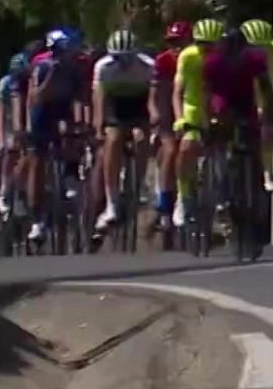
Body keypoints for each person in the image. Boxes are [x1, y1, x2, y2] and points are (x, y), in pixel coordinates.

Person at [203, 24, 273, 250]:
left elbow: (266, 91)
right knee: (222, 129)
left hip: (245, 102)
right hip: (223, 101)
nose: (235, 55)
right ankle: (223, 191)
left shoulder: (254, 60)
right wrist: (210, 123)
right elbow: (208, 94)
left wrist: (272, 119)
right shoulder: (213, 63)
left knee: (252, 142)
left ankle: (253, 180)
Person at [91, 30, 156, 236]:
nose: (124, 62)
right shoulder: (103, 67)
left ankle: (137, 185)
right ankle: (112, 201)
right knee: (113, 139)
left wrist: (153, 119)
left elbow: (152, 97)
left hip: (138, 103)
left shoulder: (148, 66)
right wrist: (98, 125)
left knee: (143, 137)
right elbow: (99, 98)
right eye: (118, 58)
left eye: (128, 57)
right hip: (115, 105)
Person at [26, 29, 85, 243]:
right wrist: (51, 75)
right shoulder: (41, 65)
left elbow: (80, 98)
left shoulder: (74, 69)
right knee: (37, 161)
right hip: (42, 109)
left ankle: (70, 174)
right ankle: (36, 220)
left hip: (62, 107)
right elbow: (36, 96)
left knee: (68, 132)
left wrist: (79, 124)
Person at [171, 19, 224, 230]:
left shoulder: (224, 59)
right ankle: (182, 197)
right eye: (202, 44)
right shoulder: (188, 56)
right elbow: (177, 92)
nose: (206, 49)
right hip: (192, 106)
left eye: (211, 45)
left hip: (216, 104)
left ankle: (223, 198)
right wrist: (179, 119)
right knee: (186, 148)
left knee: (226, 149)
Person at [150, 20, 190, 230]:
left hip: (190, 108)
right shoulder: (164, 61)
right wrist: (155, 114)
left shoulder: (195, 58)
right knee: (171, 150)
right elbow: (155, 95)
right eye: (172, 42)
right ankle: (165, 205)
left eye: (180, 42)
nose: (177, 47)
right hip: (167, 111)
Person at [0, 53, 31, 223]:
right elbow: (0, 114)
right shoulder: (6, 84)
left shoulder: (32, 82)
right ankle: (4, 191)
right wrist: (2, 141)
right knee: (10, 149)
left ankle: (25, 189)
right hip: (10, 124)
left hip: (28, 121)